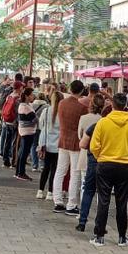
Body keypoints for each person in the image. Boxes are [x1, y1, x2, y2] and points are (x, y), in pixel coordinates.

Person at [89, 92, 128, 247]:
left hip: (105, 163)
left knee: (103, 200)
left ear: (112, 105)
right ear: (125, 106)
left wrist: (100, 156)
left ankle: (99, 236)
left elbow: (94, 146)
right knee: (121, 203)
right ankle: (122, 237)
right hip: (125, 164)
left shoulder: (103, 122)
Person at [56, 80, 89, 214]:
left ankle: (57, 201)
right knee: (75, 173)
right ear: (81, 91)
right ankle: (71, 204)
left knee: (60, 171)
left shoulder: (61, 103)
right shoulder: (82, 108)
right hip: (75, 142)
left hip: (63, 140)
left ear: (70, 89)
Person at [75, 94, 105, 233]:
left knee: (86, 189)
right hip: (103, 158)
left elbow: (81, 138)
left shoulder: (84, 118)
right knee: (101, 193)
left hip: (87, 156)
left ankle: (82, 220)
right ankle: (100, 222)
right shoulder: (104, 121)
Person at [37, 85, 63, 201]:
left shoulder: (46, 111)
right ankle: (50, 192)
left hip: (46, 144)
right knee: (54, 169)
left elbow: (41, 125)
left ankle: (40, 191)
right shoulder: (62, 113)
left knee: (45, 169)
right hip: (58, 145)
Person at [13, 89, 37, 181]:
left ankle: (18, 172)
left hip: (25, 131)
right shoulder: (25, 107)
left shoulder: (23, 105)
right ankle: (21, 172)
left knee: (22, 151)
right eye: (31, 95)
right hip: (28, 131)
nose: (33, 96)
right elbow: (35, 119)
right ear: (27, 96)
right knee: (24, 152)